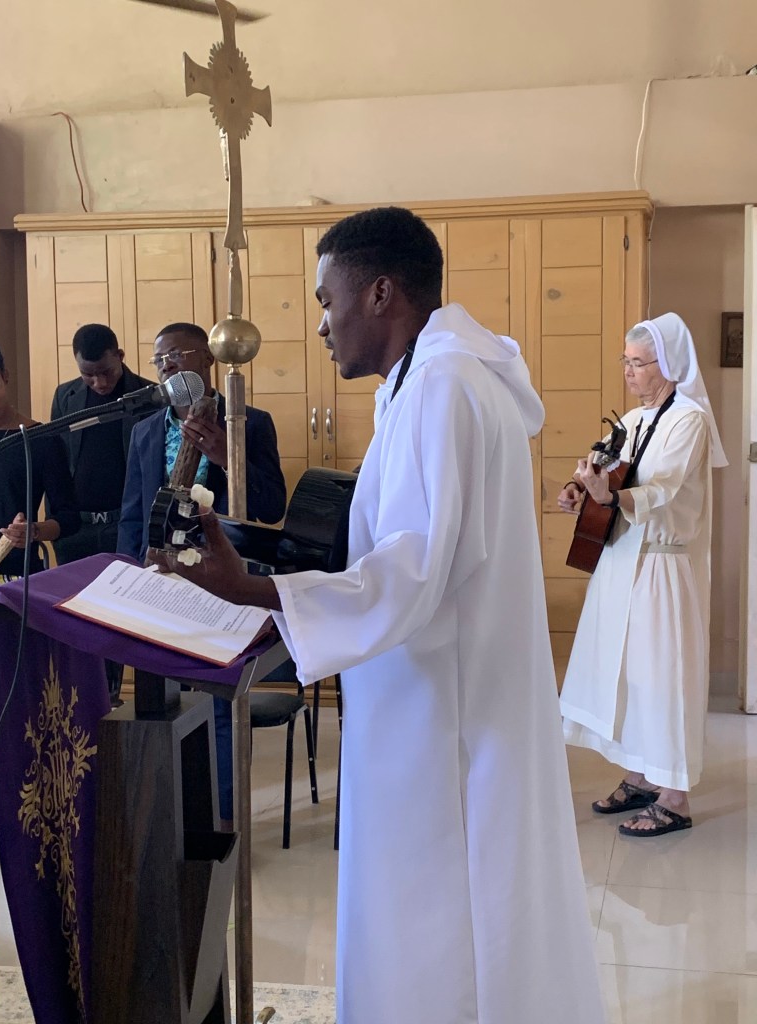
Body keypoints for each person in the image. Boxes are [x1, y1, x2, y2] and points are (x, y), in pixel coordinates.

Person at [151, 207, 605, 1024]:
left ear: (382, 293)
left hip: (445, 721)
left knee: (443, 934)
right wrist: (268, 569)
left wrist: (254, 590)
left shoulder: (444, 386)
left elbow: (411, 570)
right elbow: (391, 548)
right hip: (427, 699)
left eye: (327, 301)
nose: (321, 325)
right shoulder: (422, 381)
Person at [558, 313, 727, 837]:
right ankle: (640, 776)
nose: (628, 371)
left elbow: (664, 489)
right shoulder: (631, 420)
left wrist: (612, 497)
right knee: (624, 672)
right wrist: (579, 487)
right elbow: (604, 465)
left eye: (638, 362)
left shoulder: (689, 421)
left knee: (662, 677)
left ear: (668, 365)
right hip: (620, 559)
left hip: (660, 564)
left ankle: (674, 797)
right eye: (625, 361)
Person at [118, 321, 287, 828]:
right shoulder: (145, 431)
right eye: (159, 359)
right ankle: (177, 828)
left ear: (208, 360)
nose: (167, 365)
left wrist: (224, 454)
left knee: (218, 709)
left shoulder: (250, 423)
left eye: (177, 355)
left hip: (221, 580)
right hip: (158, 582)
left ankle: (224, 828)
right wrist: (127, 576)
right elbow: (132, 514)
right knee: (164, 706)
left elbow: (272, 506)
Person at [50, 323, 155, 705]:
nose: (99, 382)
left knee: (120, 617)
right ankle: (83, 700)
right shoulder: (65, 396)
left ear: (120, 357)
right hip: (76, 527)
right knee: (77, 617)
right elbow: (57, 462)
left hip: (123, 526)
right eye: (88, 374)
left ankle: (112, 696)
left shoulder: (148, 396)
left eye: (106, 372)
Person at [0, 334, 79, 583]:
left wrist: (34, 531)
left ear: (5, 376)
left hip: (16, 576)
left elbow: (69, 518)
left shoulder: (41, 439)